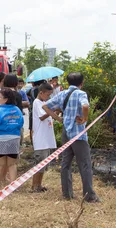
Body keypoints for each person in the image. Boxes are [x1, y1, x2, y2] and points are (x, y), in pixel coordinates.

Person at [43, 72, 100, 203]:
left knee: (65, 163)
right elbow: (85, 106)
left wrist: (58, 118)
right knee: (84, 164)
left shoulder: (62, 94)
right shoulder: (81, 93)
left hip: (66, 132)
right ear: (82, 83)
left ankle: (67, 194)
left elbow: (45, 106)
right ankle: (89, 196)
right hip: (78, 133)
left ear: (68, 82)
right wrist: (85, 118)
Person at [0, 88, 24, 187]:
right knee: (12, 164)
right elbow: (21, 123)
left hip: (0, 139)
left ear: (6, 99)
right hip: (14, 139)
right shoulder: (17, 110)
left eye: (0, 97)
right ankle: (13, 186)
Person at [31, 83, 56, 192]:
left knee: (43, 165)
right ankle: (34, 186)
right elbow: (42, 116)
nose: (49, 97)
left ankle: (39, 185)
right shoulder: (37, 102)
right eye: (47, 94)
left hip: (46, 139)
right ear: (41, 93)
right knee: (39, 164)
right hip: (41, 140)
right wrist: (51, 112)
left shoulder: (44, 103)